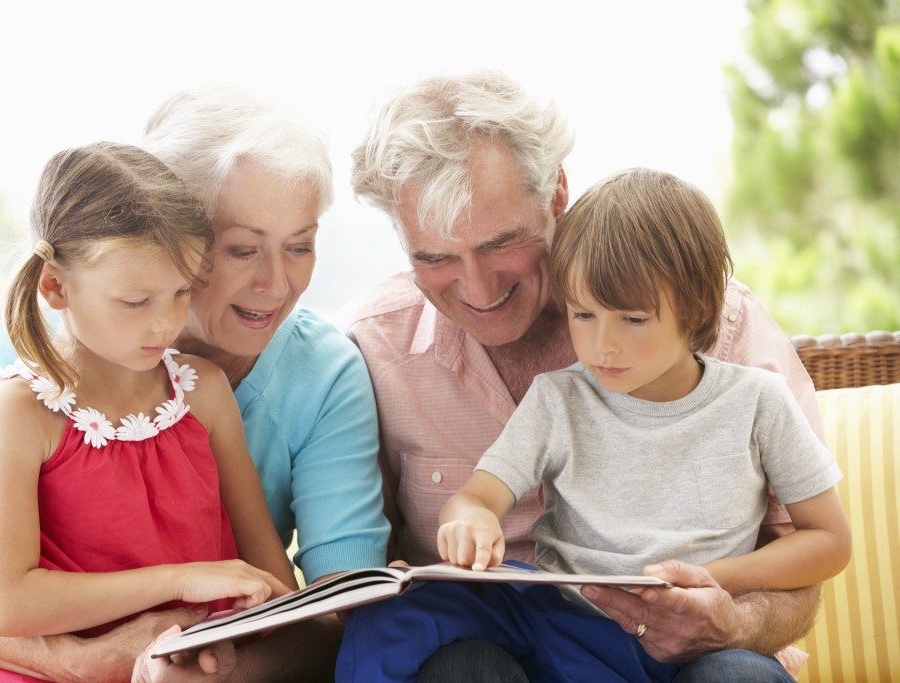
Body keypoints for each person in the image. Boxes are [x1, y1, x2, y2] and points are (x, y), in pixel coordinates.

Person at [0, 87, 390, 682]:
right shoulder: (34, 353)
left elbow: (331, 618)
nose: (275, 283)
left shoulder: (283, 381)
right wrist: (85, 663)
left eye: (300, 246)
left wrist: (215, 673)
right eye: (242, 249)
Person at [337, 71, 826, 679]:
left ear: (557, 193)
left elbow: (809, 558)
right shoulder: (375, 347)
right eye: (434, 258)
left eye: (501, 243)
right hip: (505, 643)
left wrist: (732, 619)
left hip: (691, 656)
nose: (478, 288)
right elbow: (359, 576)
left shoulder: (721, 325)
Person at [0, 141, 296, 681]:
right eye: (135, 302)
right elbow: (8, 604)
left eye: (180, 293)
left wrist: (233, 648)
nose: (165, 324)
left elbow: (270, 581)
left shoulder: (202, 392)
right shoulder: (18, 413)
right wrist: (182, 581)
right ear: (55, 286)